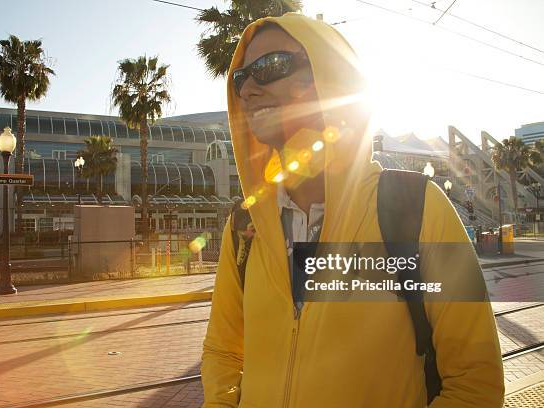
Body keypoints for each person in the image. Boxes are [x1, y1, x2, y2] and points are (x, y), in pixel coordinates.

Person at [201, 13, 504, 408]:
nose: (247, 91)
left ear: (328, 80)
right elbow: (224, 351)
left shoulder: (416, 209)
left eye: (269, 68)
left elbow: (474, 383)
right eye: (240, 79)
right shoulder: (244, 226)